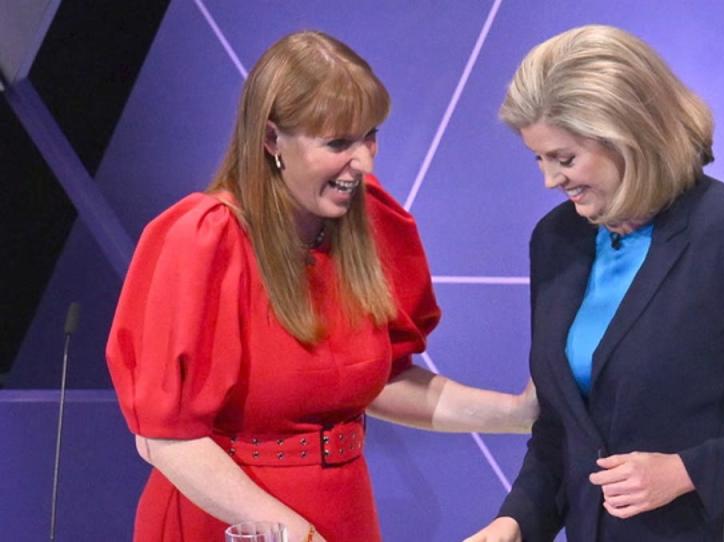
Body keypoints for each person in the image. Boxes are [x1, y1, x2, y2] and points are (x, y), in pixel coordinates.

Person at [105, 31, 536, 542]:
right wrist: (296, 534)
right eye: (338, 143)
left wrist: (516, 415)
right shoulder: (201, 239)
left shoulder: (370, 223)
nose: (365, 162)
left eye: (370, 136)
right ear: (271, 140)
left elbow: (383, 383)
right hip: (229, 521)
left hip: (344, 512)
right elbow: (163, 438)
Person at [465, 25, 724, 542]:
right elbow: (565, 425)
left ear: (629, 136)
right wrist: (515, 521)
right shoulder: (557, 240)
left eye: (565, 159)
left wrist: (686, 473)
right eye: (538, 159)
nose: (549, 180)